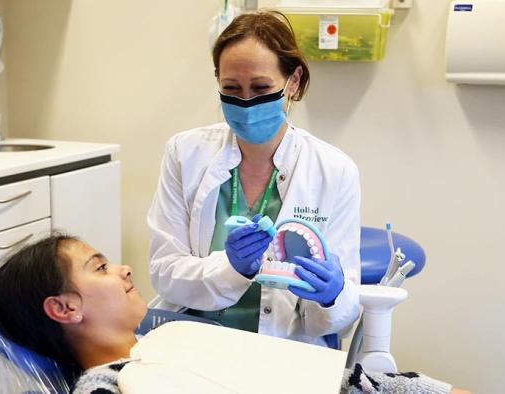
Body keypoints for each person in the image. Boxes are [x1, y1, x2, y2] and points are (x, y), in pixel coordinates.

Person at [0, 234, 469, 394]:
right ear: (64, 308)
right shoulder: (103, 384)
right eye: (101, 267)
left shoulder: (173, 338)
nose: (123, 268)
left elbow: (345, 383)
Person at [147, 10, 361, 348]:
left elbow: (338, 319)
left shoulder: (333, 170)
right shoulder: (184, 153)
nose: (246, 102)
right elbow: (164, 272)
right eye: (231, 88)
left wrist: (333, 295)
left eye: (261, 87)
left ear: (293, 81)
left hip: (282, 349)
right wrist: (231, 269)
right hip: (192, 340)